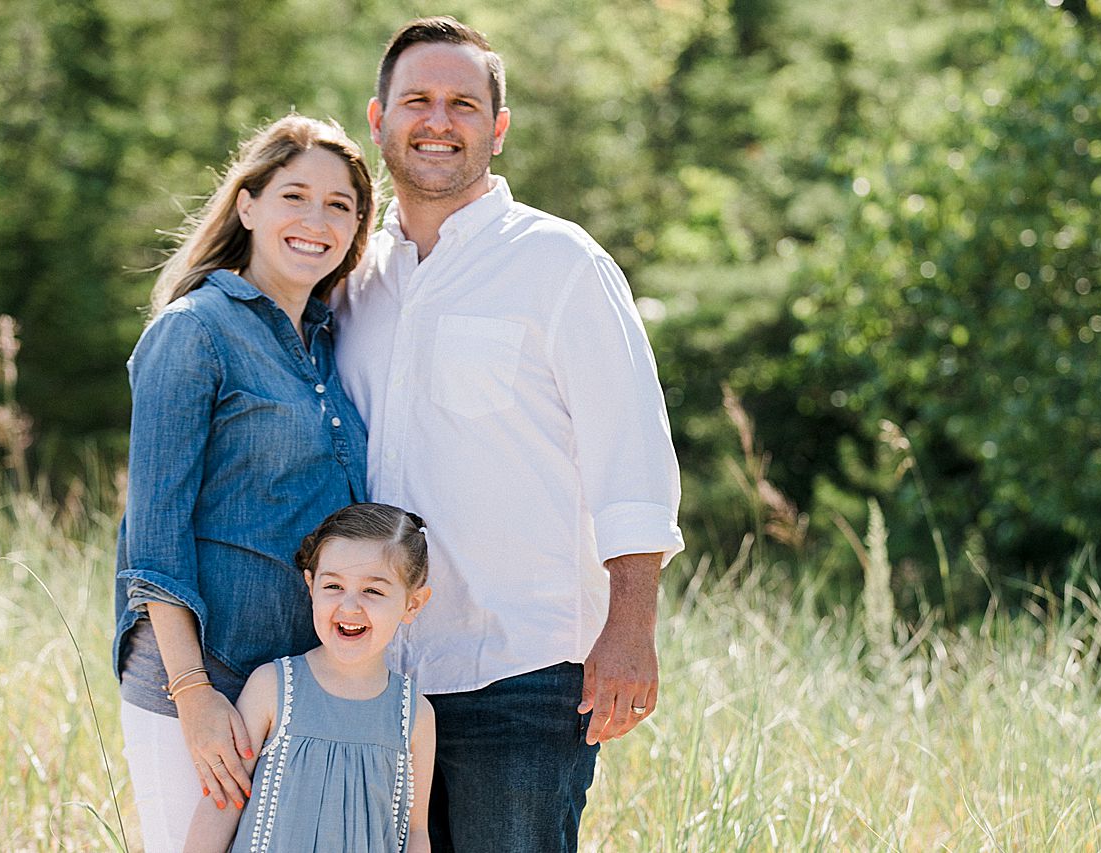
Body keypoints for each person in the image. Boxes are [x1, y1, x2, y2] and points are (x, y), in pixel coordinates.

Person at [334, 17, 685, 852]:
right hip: (374, 674)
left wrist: (631, 627)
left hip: (521, 674)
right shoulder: (353, 280)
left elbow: (632, 453)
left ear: (497, 129)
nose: (438, 119)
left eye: (463, 103)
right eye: (417, 99)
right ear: (378, 119)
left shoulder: (559, 264)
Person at [113, 114, 375, 852]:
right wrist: (193, 694)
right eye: (295, 195)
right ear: (248, 205)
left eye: (339, 205)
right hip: (205, 676)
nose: (315, 220)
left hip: (304, 684)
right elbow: (154, 534)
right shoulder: (193, 331)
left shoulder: (328, 343)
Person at [182, 502, 436, 852]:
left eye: (373, 591)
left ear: (413, 604)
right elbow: (221, 803)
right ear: (311, 584)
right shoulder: (273, 687)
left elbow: (416, 830)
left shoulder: (414, 715)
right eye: (333, 586)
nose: (349, 606)